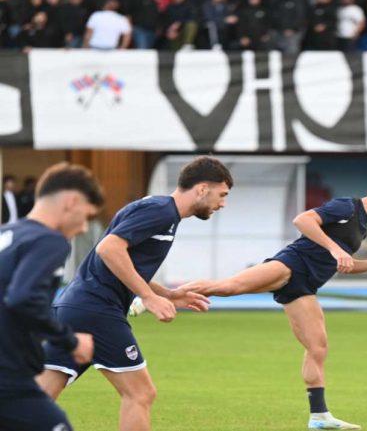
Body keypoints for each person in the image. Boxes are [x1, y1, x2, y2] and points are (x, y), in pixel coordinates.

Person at [181, 175, 367, 430]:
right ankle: (155, 297)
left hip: (304, 286)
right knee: (227, 287)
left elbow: (341, 262)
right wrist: (335, 248)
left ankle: (319, 416)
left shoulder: (362, 225)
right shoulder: (348, 206)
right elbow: (302, 220)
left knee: (318, 346)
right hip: (292, 266)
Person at [36, 156, 232, 431]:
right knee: (140, 393)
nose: (222, 203)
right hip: (97, 311)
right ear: (201, 189)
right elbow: (109, 249)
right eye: (221, 195)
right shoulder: (161, 212)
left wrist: (167, 294)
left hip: (75, 307)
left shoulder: (158, 209)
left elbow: (123, 262)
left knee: (39, 395)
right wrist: (148, 297)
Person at [0, 162, 104, 430]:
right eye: (86, 217)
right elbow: (23, 298)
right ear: (71, 201)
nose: (83, 228)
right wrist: (70, 341)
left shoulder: (7, 235)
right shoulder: (48, 240)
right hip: (9, 379)